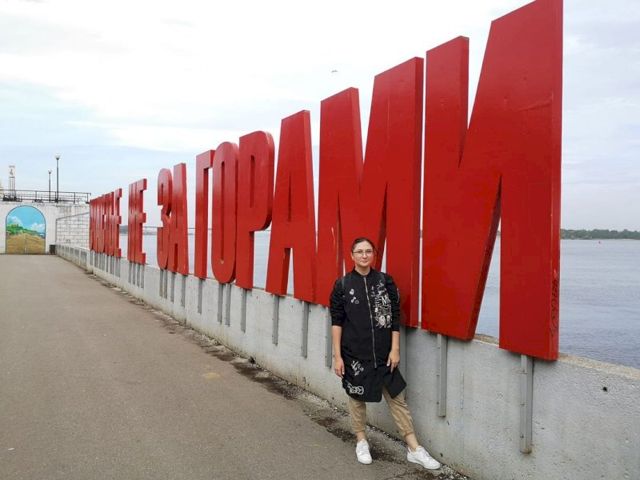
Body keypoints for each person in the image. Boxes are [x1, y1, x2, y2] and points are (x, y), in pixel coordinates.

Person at [329, 237, 441, 470]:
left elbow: (395, 317)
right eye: (359, 251)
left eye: (368, 251)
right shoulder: (342, 285)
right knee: (357, 399)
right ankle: (361, 441)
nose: (364, 255)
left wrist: (395, 349)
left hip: (384, 355)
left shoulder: (385, 282)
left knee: (397, 399)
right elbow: (337, 322)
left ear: (374, 254)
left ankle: (414, 448)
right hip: (354, 355)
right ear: (351, 256)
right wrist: (337, 356)